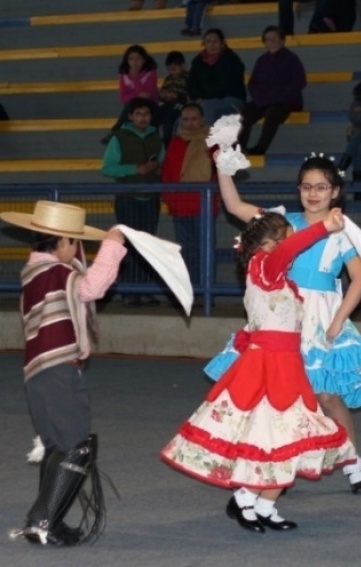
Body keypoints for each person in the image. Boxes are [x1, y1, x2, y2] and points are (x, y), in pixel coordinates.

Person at [161, 179, 356, 532]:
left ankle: (263, 503)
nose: (285, 245)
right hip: (268, 368)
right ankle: (247, 499)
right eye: (280, 239)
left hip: (286, 366)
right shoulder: (264, 266)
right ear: (263, 245)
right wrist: (324, 227)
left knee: (288, 438)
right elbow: (289, 251)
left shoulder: (277, 276)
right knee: (275, 436)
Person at [217, 153, 361, 494]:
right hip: (284, 314)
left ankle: (351, 458)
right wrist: (222, 167)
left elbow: (360, 280)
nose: (313, 193)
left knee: (328, 396)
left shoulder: (344, 231)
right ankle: (276, 465)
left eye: (321, 187)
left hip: (321, 316)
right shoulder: (282, 222)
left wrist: (338, 320)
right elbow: (234, 206)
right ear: (298, 190)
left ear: (335, 191)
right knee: (278, 396)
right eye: (307, 186)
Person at [1, 201, 128, 546]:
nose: (77, 250)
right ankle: (43, 522)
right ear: (59, 243)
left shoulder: (36, 273)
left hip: (39, 371)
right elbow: (91, 288)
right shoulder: (56, 274)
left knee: (60, 445)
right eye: (73, 243)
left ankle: (46, 520)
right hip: (57, 371)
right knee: (75, 447)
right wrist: (113, 247)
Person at [101, 96, 165, 307]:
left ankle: (144, 290)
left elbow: (163, 164)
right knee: (128, 246)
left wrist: (157, 170)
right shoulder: (118, 138)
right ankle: (129, 291)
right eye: (138, 114)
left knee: (148, 245)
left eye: (146, 114)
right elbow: (108, 168)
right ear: (130, 116)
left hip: (151, 198)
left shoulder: (157, 137)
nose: (143, 118)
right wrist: (135, 169)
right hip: (127, 198)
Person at [160, 103, 218, 284]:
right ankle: (191, 291)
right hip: (180, 206)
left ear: (202, 120)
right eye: (185, 119)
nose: (190, 123)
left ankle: (206, 292)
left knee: (204, 250)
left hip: (204, 206)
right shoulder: (176, 143)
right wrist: (171, 200)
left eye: (194, 119)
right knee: (186, 251)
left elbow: (221, 174)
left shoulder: (214, 143)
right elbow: (168, 174)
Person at [238, 26, 307, 156]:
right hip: (264, 100)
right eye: (268, 39)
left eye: (275, 38)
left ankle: (260, 148)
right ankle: (239, 147)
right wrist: (258, 97)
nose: (271, 42)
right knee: (246, 111)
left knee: (273, 113)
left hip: (287, 101)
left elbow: (299, 82)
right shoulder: (262, 60)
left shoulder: (292, 59)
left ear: (282, 40)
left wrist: (276, 97)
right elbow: (253, 84)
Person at [101, 44, 159, 145]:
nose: (135, 62)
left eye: (138, 59)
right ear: (127, 61)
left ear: (144, 60)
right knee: (132, 103)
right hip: (131, 106)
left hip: (150, 104)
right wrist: (136, 96)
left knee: (133, 102)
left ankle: (115, 130)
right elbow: (123, 96)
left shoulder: (151, 73)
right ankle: (118, 132)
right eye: (131, 59)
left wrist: (136, 77)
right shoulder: (124, 75)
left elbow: (147, 94)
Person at [187, 28, 246, 125]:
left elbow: (228, 86)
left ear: (222, 43)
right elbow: (191, 84)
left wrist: (204, 98)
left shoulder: (231, 60)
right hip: (205, 100)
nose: (212, 45)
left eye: (215, 41)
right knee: (188, 112)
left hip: (231, 99)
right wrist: (196, 97)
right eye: (208, 41)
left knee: (207, 108)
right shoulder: (198, 61)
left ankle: (211, 139)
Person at [157, 50, 189, 147]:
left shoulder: (188, 77)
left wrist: (177, 95)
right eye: (170, 70)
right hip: (169, 104)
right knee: (155, 115)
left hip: (181, 104)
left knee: (170, 119)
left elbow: (189, 94)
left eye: (174, 69)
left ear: (182, 66)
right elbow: (162, 92)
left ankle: (168, 142)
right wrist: (164, 95)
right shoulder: (168, 79)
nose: (172, 72)